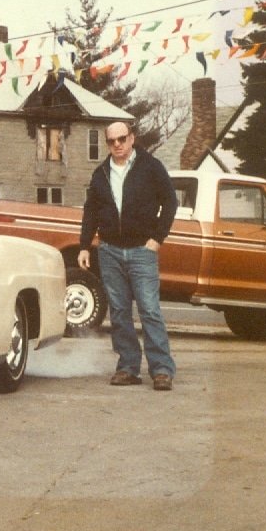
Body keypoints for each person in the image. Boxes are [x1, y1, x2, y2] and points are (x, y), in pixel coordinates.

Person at [78, 121, 178, 391]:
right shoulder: (101, 173)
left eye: (122, 138)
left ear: (132, 138)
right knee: (120, 312)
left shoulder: (151, 166)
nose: (117, 145)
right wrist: (85, 245)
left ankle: (161, 370)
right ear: (107, 144)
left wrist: (157, 238)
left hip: (142, 251)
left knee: (149, 310)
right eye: (111, 141)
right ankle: (128, 367)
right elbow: (91, 211)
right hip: (109, 251)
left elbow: (170, 201)